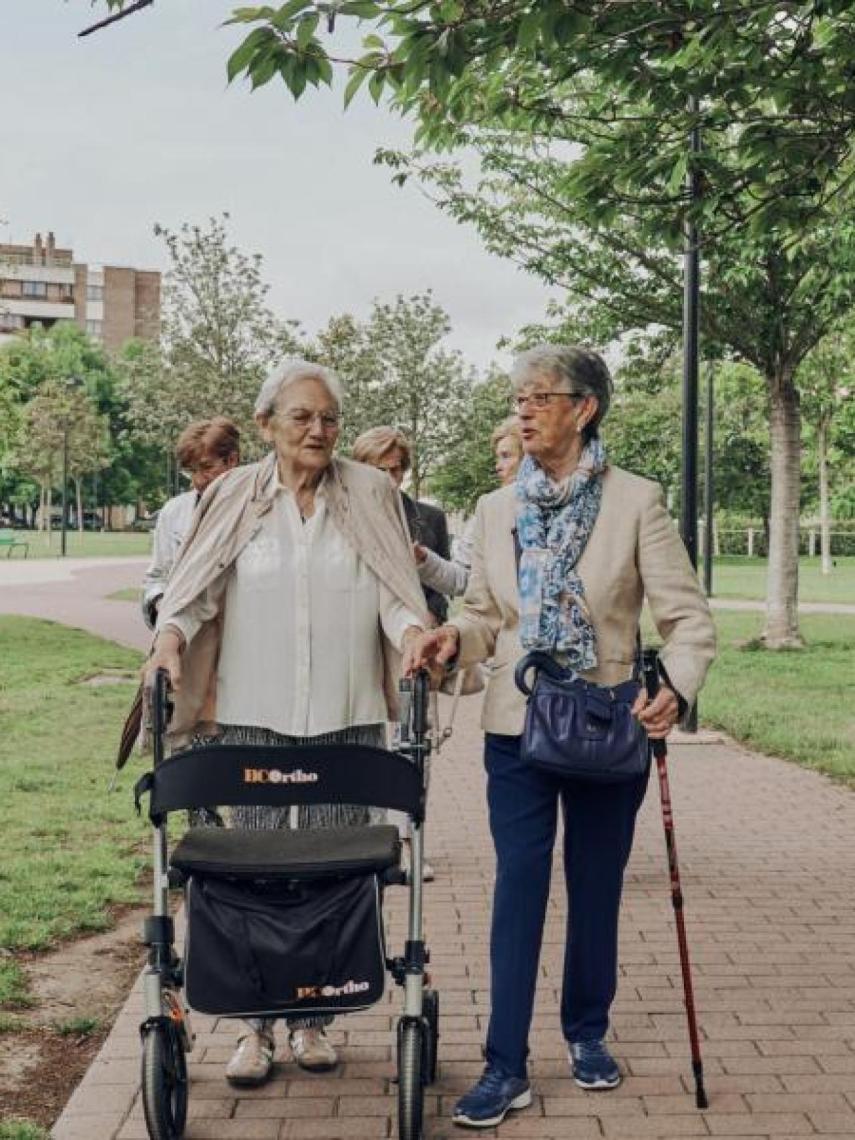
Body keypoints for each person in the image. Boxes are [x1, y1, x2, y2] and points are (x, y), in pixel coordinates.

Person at [406, 345, 716, 1129]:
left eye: (541, 397)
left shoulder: (635, 501)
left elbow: (686, 620)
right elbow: (482, 614)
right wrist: (454, 641)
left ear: (584, 408)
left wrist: (673, 688)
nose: (523, 410)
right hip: (516, 726)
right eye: (518, 397)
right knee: (518, 886)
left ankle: (586, 1032)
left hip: (609, 722)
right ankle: (503, 1064)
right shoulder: (495, 507)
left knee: (596, 886)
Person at [142, 360, 427, 1088]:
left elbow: (396, 591)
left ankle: (312, 1021)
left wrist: (415, 634)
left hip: (347, 714)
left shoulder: (368, 493)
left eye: (329, 417)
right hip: (253, 713)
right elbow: (196, 586)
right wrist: (169, 634)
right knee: (255, 875)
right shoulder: (236, 495)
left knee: (335, 870)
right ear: (266, 424)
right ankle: (255, 1028)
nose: (318, 430)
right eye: (300, 417)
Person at [141, 417, 240, 629]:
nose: (197, 479)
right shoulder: (173, 512)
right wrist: (161, 603)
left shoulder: (259, 509)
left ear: (232, 460)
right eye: (191, 470)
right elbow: (156, 577)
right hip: (187, 635)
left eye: (206, 467)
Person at [351, 426, 452, 625]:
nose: (388, 478)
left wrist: (432, 615)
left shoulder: (433, 518)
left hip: (417, 629)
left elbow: (444, 585)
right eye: (379, 470)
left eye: (395, 469)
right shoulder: (343, 517)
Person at [415, 416, 523, 599]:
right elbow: (462, 578)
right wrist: (424, 560)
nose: (498, 466)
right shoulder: (488, 512)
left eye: (506, 456)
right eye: (497, 458)